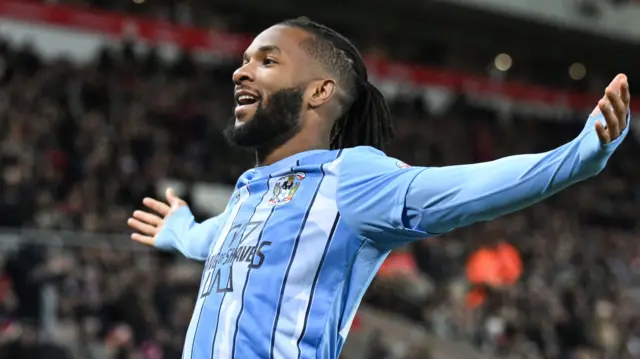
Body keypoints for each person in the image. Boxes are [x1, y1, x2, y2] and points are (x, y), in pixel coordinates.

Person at [127, 17, 631, 359]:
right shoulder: (249, 192)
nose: (241, 69)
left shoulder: (353, 181)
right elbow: (214, 239)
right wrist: (179, 230)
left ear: (320, 91)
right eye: (245, 59)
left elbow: (469, 187)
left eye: (267, 61)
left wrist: (576, 159)